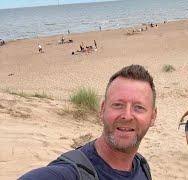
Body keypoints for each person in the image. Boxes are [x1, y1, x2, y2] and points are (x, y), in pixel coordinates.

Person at [19, 65, 157, 180]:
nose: (127, 116)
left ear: (153, 116)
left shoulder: (142, 166)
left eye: (138, 107)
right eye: (118, 105)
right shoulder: (70, 173)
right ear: (102, 109)